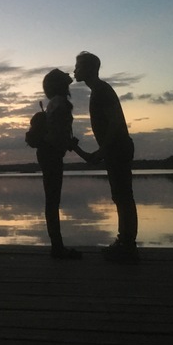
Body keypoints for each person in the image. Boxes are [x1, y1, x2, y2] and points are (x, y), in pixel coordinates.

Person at [73, 51, 139, 263]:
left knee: (123, 197)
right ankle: (125, 242)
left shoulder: (102, 90)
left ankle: (127, 244)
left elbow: (115, 123)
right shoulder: (99, 91)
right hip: (115, 149)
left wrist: (102, 151)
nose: (75, 70)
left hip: (118, 149)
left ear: (91, 69)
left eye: (79, 66)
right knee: (121, 196)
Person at [26, 68, 81, 259]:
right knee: (52, 200)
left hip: (47, 153)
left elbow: (57, 132)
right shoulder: (61, 104)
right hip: (51, 155)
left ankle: (56, 245)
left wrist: (67, 143)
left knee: (51, 200)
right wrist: (67, 144)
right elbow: (58, 132)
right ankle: (57, 247)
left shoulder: (53, 104)